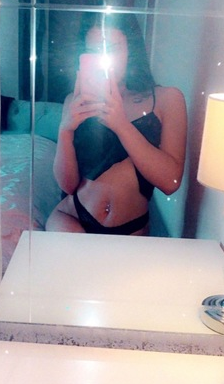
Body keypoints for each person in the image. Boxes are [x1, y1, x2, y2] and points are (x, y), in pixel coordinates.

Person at [45, 12, 187, 235]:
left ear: (132, 49)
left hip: (132, 228)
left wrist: (121, 125)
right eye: (93, 51)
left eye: (111, 49)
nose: (103, 59)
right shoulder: (74, 100)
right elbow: (68, 186)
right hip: (73, 217)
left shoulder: (167, 99)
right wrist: (65, 131)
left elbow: (171, 182)